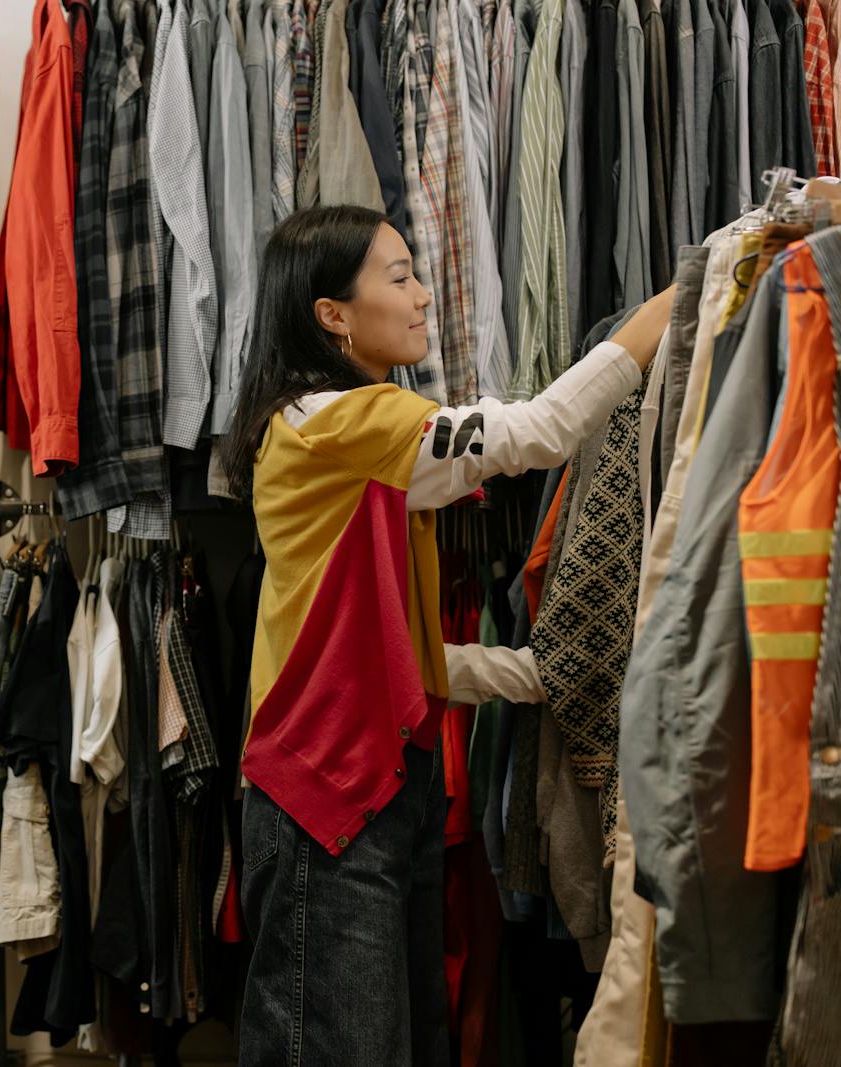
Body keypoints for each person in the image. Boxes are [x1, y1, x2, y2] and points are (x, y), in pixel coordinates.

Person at [217, 204, 674, 1066]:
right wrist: (672, 303)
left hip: (382, 784)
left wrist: (536, 672)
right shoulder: (335, 420)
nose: (426, 296)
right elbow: (539, 432)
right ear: (333, 315)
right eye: (400, 278)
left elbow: (392, 649)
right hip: (329, 795)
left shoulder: (358, 437)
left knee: (396, 1040)